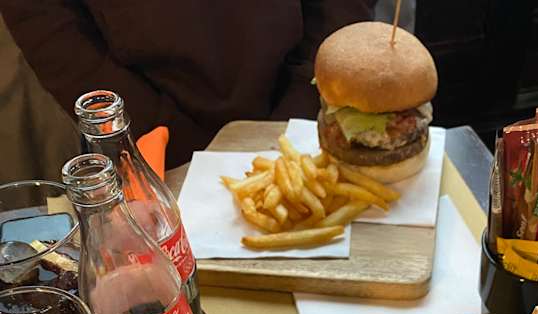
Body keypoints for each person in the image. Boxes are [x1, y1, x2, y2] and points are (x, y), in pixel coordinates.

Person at [1, 1, 375, 168]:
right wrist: (158, 133)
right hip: (152, 146)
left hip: (316, 112)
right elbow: (52, 29)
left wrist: (306, 94)